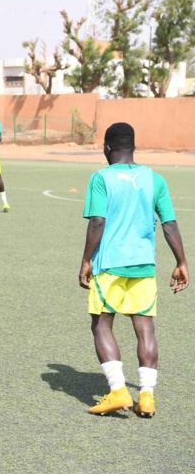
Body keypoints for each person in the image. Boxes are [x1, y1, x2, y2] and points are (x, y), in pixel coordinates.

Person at [79, 122, 189, 417]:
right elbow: (169, 224)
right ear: (134, 146)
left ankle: (117, 391)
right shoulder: (155, 179)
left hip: (110, 263)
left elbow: (97, 221)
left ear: (107, 148)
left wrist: (86, 260)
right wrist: (181, 262)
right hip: (144, 265)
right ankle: (147, 396)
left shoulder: (101, 178)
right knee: (145, 328)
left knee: (102, 324)